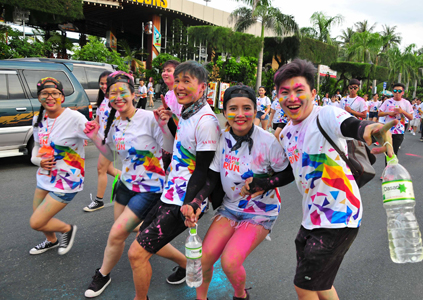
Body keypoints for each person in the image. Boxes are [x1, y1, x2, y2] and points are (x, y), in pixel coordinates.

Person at [272, 59, 395, 300]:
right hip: (312, 217)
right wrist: (261, 185)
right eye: (285, 92)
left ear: (313, 93)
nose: (292, 98)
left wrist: (371, 130)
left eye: (299, 91)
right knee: (321, 284)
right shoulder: (286, 133)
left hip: (339, 216)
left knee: (304, 285)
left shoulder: (326, 114)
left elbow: (354, 125)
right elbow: (292, 171)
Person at [83, 71, 186, 298]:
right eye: (113, 93)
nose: (118, 97)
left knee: (116, 234)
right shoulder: (113, 122)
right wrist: (94, 138)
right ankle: (186, 263)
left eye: (123, 92)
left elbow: (168, 146)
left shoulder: (148, 117)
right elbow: (108, 153)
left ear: (134, 94)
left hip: (150, 188)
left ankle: (103, 274)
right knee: (133, 233)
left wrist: (163, 125)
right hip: (125, 186)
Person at [127, 61, 221, 300]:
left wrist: (191, 204)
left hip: (182, 200)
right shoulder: (187, 113)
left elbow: (203, 171)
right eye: (177, 81)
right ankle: (187, 262)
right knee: (141, 237)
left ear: (203, 87)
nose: (179, 86)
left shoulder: (206, 121)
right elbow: (174, 151)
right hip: (170, 192)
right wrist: (165, 124)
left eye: (186, 81)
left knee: (136, 254)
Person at [194, 85, 294, 300]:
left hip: (261, 212)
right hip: (229, 208)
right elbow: (211, 178)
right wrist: (196, 201)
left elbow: (287, 174)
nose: (240, 115)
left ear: (255, 110)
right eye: (233, 109)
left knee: (230, 262)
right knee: (204, 257)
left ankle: (241, 295)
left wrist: (263, 183)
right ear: (224, 112)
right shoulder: (220, 139)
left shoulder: (268, 141)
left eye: (246, 108)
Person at [29, 77, 89, 255]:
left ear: (62, 97)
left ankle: (67, 229)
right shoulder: (38, 118)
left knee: (36, 222)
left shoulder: (75, 118)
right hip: (44, 176)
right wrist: (37, 161)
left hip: (66, 180)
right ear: (39, 97)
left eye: (55, 93)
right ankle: (51, 240)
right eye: (45, 93)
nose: (50, 97)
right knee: (40, 215)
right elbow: (37, 145)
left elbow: (97, 137)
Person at [84, 71, 121, 212]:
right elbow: (98, 121)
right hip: (102, 140)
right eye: (102, 83)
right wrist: (90, 129)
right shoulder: (102, 101)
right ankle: (129, 180)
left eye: (107, 83)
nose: (104, 86)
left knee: (101, 169)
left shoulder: (116, 100)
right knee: (109, 169)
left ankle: (99, 201)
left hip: (112, 141)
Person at [378, 83, 413, 167]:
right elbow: (379, 113)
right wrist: (388, 113)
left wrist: (402, 112)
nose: (397, 92)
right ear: (392, 92)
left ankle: (392, 170)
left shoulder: (406, 103)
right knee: (388, 152)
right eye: (395, 91)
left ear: (403, 92)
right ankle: (387, 171)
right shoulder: (387, 101)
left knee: (394, 151)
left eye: (399, 91)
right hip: (387, 131)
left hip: (399, 131)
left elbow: (411, 117)